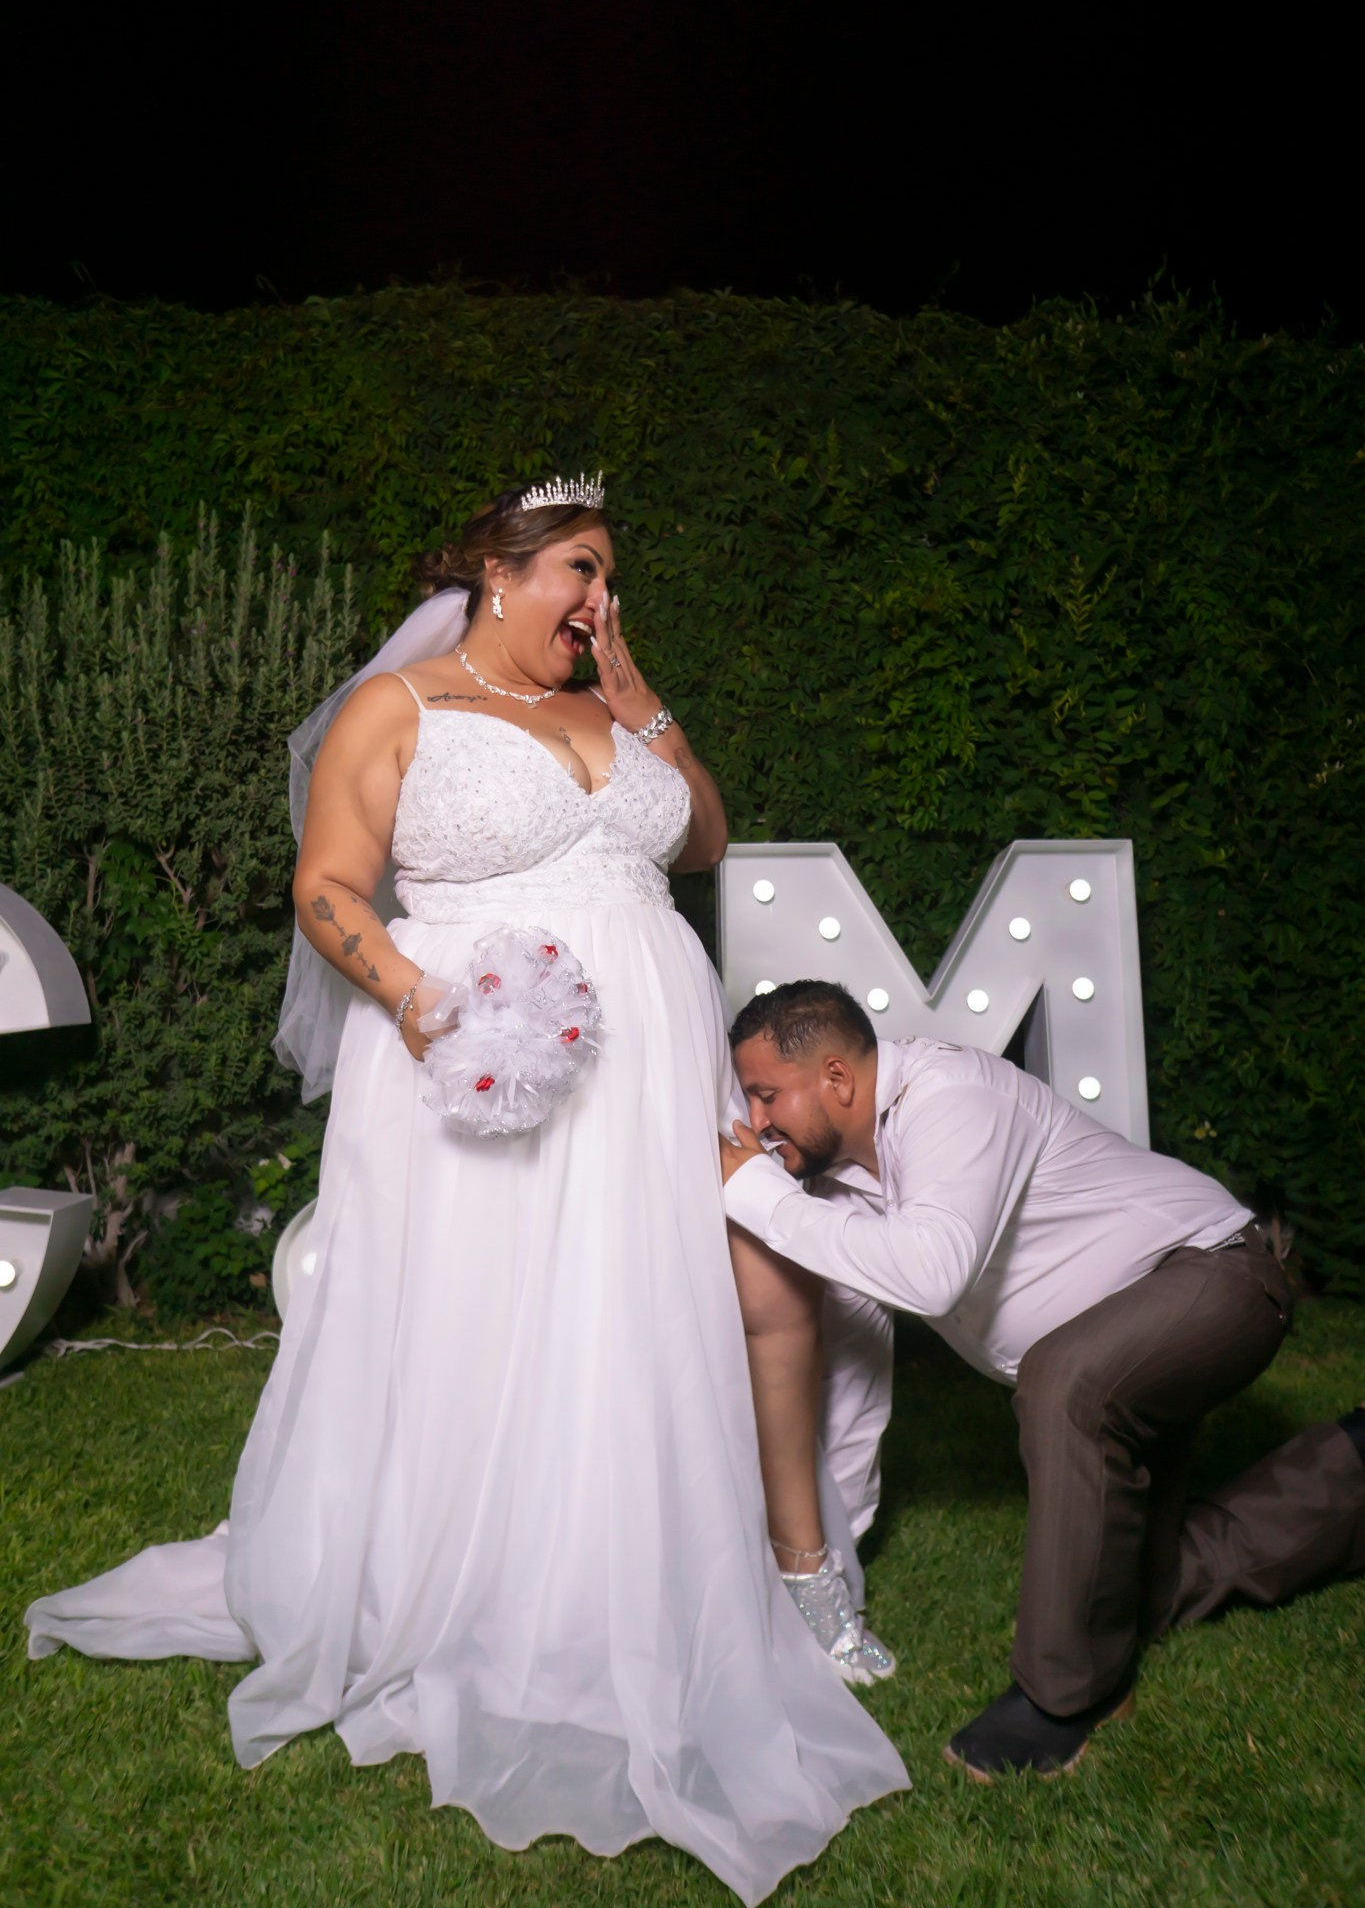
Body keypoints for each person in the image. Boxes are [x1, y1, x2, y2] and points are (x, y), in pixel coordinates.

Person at [26, 481, 907, 1905]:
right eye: (580, 569)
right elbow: (327, 887)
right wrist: (422, 1002)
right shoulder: (402, 707)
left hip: (644, 1073)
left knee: (635, 1320)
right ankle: (472, 1589)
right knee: (485, 1327)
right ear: (501, 569)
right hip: (484, 1061)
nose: (598, 599)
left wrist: (643, 699)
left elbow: (701, 840)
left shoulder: (615, 706)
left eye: (610, 577)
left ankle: (638, 1576)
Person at [719, 979, 1365, 1783]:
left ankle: (1062, 1698)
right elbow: (852, 1367)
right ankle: (1352, 1467)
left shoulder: (950, 1099)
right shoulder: (835, 1181)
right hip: (1118, 1335)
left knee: (1063, 1384)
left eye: (766, 1094)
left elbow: (929, 1277)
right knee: (1138, 1589)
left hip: (1214, 1277)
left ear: (837, 1078)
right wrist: (830, 1555)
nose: (755, 1120)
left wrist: (753, 1194)